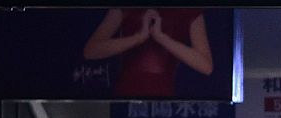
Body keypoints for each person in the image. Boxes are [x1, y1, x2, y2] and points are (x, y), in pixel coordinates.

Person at [82, 8, 215, 98]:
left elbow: (206, 66)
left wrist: (163, 39)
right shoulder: (125, 8)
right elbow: (91, 50)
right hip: (126, 90)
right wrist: (138, 38)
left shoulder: (190, 11)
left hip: (163, 91)